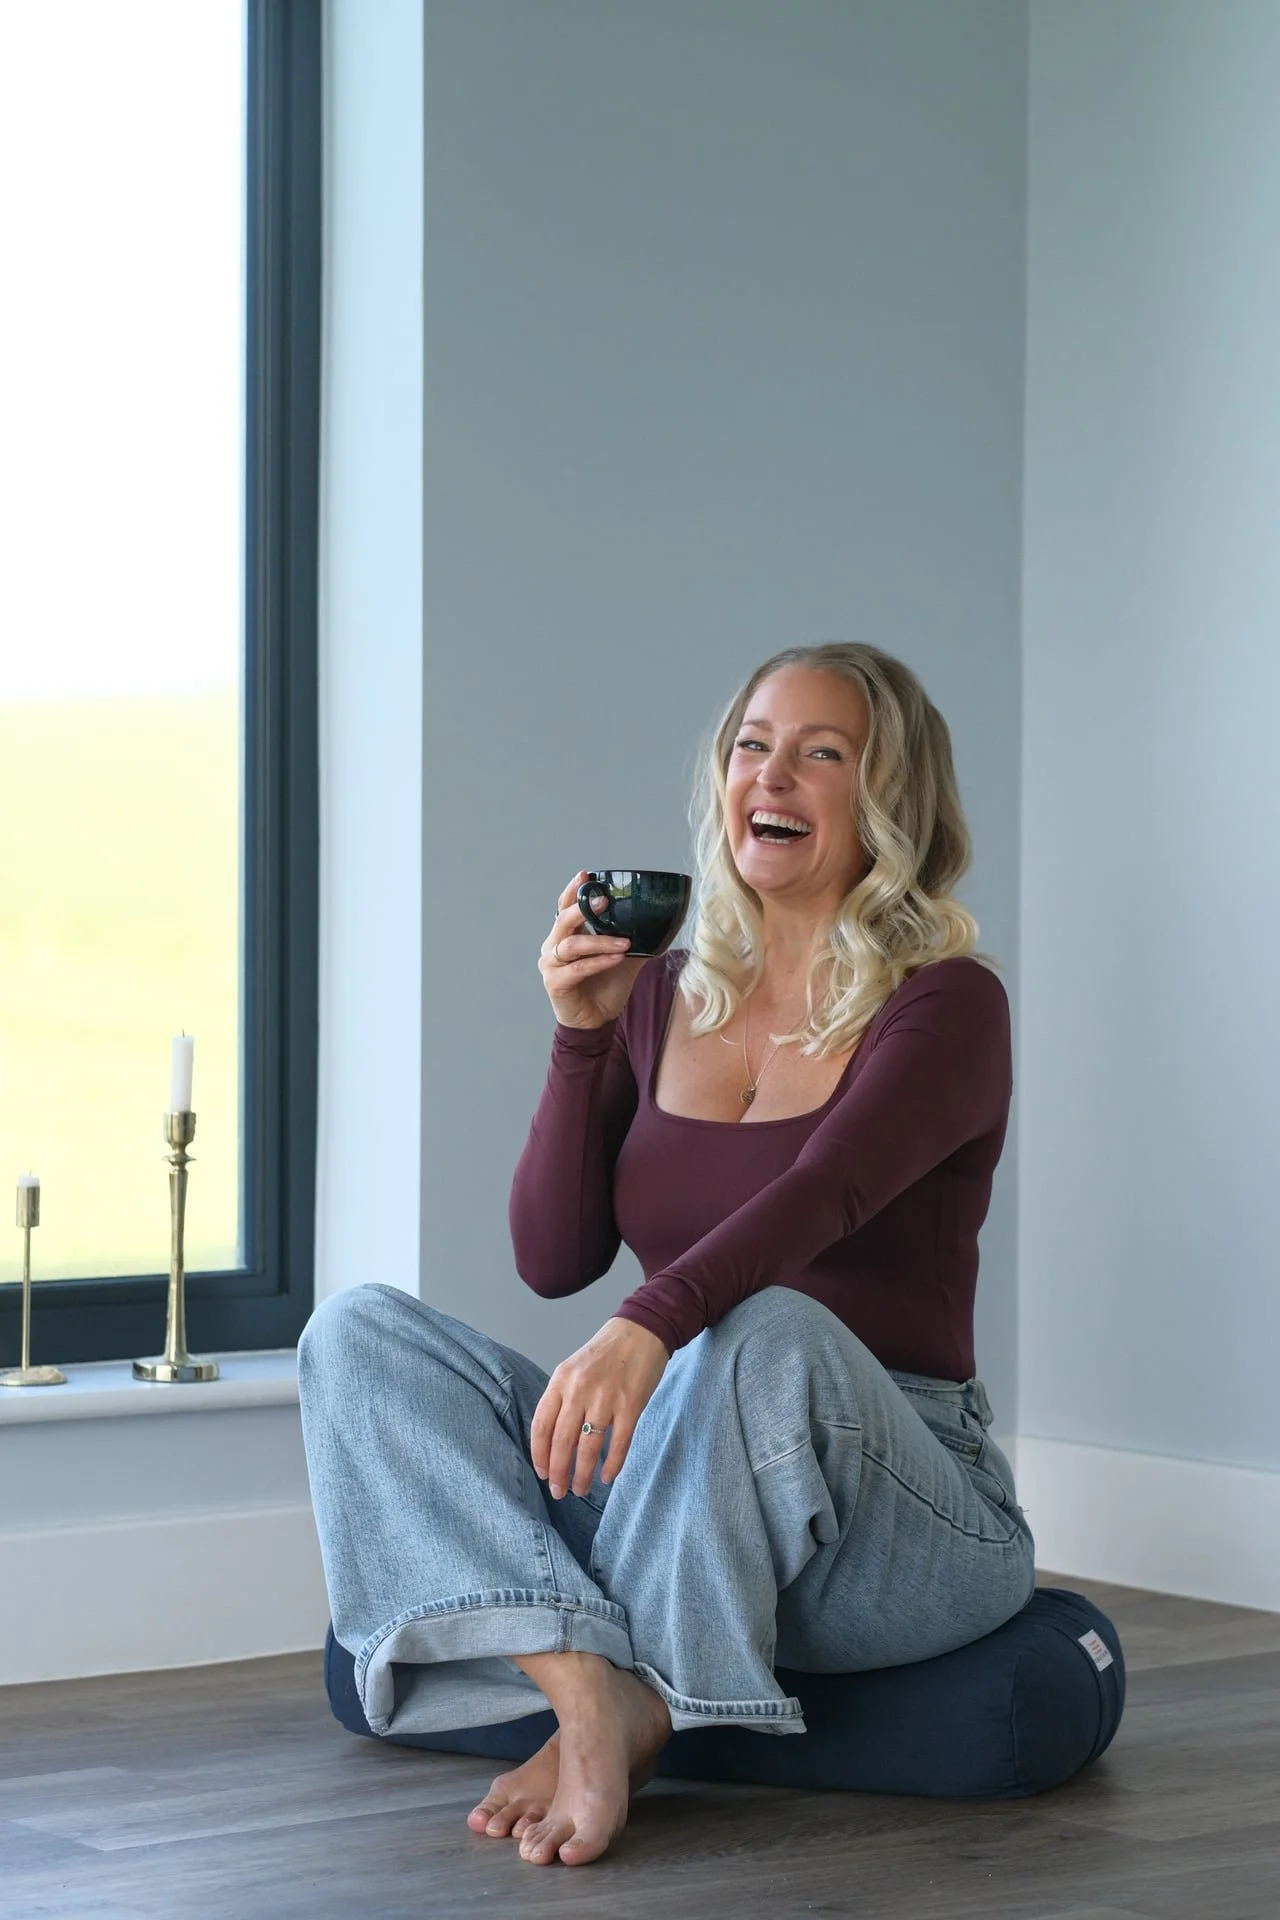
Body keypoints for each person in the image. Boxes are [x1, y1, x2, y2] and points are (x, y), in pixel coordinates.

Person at [298, 642, 1035, 1870]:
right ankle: (596, 1694)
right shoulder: (663, 992)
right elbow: (551, 1257)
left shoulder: (946, 1003)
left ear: (887, 799)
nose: (773, 774)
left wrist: (647, 1325)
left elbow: (822, 1196)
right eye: (753, 744)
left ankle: (619, 1676)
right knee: (354, 1333)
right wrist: (579, 1038)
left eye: (821, 753)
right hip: (670, 1482)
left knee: (770, 1323)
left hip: (893, 1508)